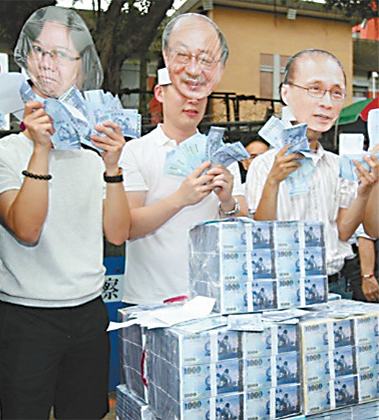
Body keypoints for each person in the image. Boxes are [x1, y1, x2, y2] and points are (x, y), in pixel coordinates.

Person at [0, 6, 130, 420]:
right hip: (26, 317)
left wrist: (113, 167)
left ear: (81, 68)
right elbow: (26, 228)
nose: (48, 63)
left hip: (89, 312)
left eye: (61, 54)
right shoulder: (0, 153)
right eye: (39, 51)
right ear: (26, 61)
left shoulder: (95, 155)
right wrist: (40, 149)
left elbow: (118, 234)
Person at [119, 14, 246, 306]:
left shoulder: (221, 155)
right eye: (181, 89)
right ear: (160, 93)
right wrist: (180, 199)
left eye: (200, 91)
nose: (192, 99)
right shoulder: (135, 151)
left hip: (211, 301)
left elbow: (241, 229)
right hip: (149, 302)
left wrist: (227, 201)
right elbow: (127, 227)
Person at [246, 49, 379, 289]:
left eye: (336, 93)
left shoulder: (337, 164)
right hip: (282, 286)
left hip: (334, 284)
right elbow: (261, 233)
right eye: (315, 89)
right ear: (286, 93)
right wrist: (273, 181)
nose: (326, 103)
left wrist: (364, 192)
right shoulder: (264, 164)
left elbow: (343, 232)